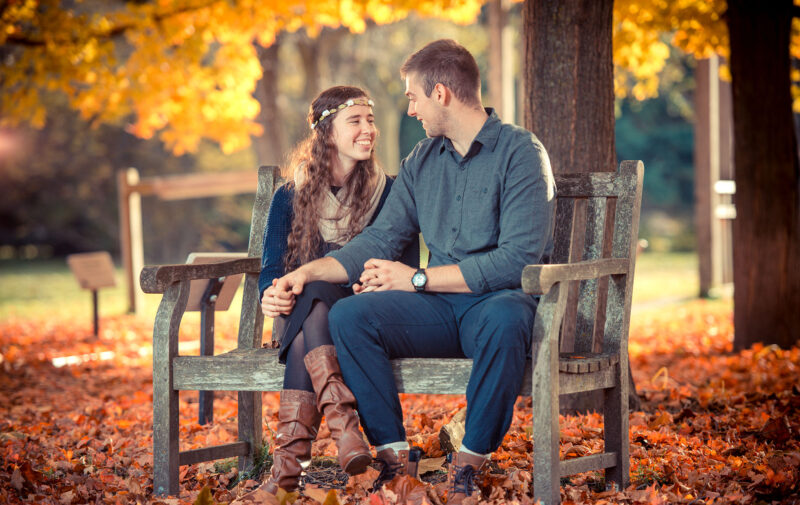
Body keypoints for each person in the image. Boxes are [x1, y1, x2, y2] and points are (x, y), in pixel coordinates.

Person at [272, 40, 556, 504]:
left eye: (413, 97)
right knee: (351, 317)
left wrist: (417, 279)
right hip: (440, 311)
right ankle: (394, 461)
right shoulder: (423, 160)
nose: (410, 110)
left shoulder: (521, 152)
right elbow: (378, 240)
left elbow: (516, 262)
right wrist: (306, 273)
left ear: (440, 93)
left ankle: (468, 463)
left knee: (508, 318)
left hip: (495, 305)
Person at [234, 85, 419, 503]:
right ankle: (343, 426)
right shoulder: (290, 195)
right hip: (301, 313)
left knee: (314, 295)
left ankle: (286, 475)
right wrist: (270, 296)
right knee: (312, 294)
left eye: (370, 120)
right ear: (327, 133)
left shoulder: (389, 193)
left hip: (362, 321)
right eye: (355, 121)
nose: (368, 130)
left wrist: (374, 281)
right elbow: (271, 270)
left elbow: (404, 264)